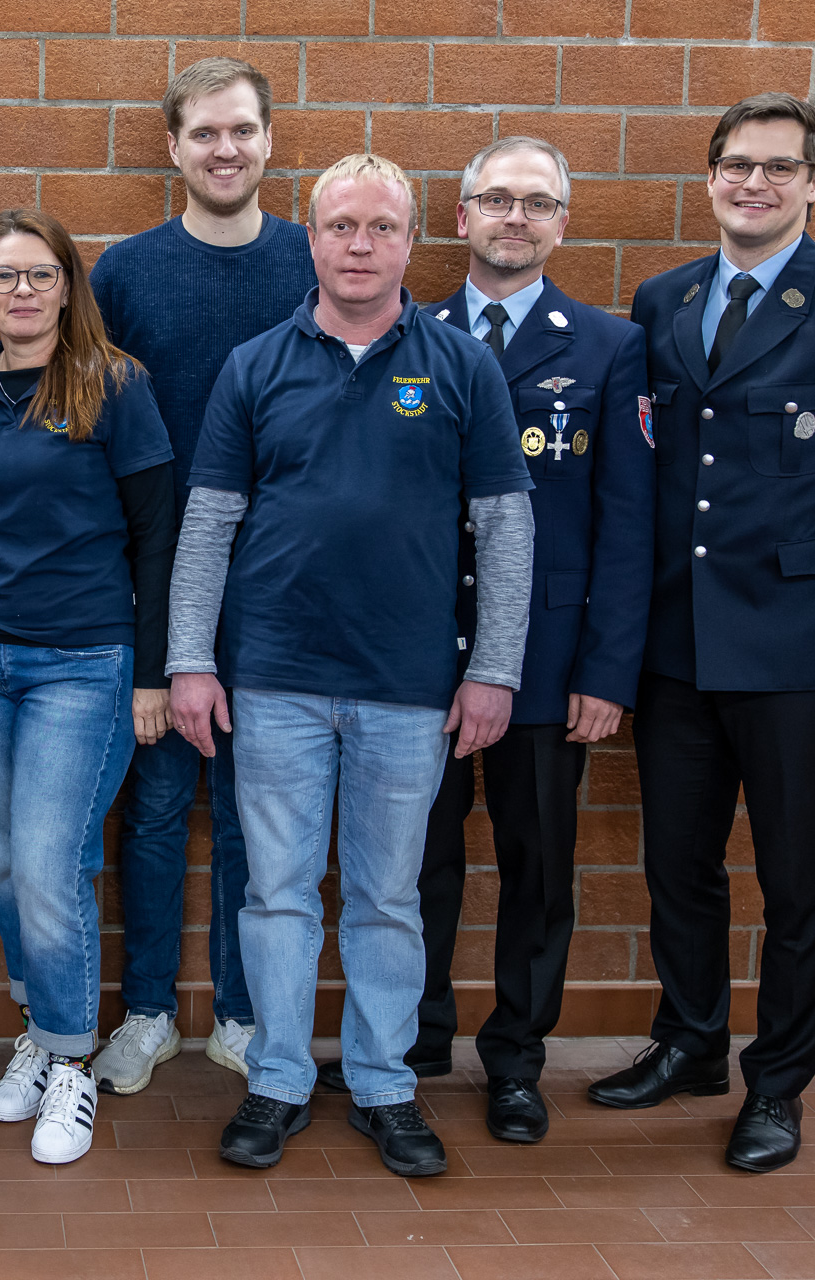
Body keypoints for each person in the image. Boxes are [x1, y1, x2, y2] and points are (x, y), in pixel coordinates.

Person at [589, 93, 815, 1172]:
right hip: (681, 641)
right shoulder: (664, 299)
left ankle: (778, 1081)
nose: (755, 183)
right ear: (710, 178)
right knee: (679, 865)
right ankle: (693, 1040)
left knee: (798, 875)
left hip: (803, 648)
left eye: (779, 168)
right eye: (737, 166)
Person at [168, 153, 535, 1176]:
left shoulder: (465, 368)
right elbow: (208, 525)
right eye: (340, 227)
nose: (360, 245)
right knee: (276, 893)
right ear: (313, 240)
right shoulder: (255, 364)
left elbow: (505, 527)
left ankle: (383, 1083)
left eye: (381, 227)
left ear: (414, 240)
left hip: (408, 685)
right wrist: (192, 658)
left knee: (385, 896)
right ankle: (279, 1079)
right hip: (274, 679)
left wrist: (495, 668)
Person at [345, 137, 653, 1143]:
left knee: (538, 863)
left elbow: (627, 525)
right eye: (494, 200)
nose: (514, 218)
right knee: (412, 860)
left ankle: (516, 1056)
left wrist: (608, 669)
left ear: (562, 222)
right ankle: (420, 1034)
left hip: (550, 663)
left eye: (537, 203)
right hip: (418, 659)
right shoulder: (409, 332)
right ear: (461, 217)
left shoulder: (609, 347)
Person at [86, 55, 317, 1095]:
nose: (225, 150)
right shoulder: (126, 273)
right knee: (153, 801)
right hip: (156, 577)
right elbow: (87, 427)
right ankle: (144, 1011)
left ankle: (238, 1009)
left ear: (269, 141)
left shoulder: (316, 263)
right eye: (204, 133)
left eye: (242, 131)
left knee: (250, 807)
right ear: (173, 146)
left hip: (279, 586)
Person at [0, 207, 178, 1165]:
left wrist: (155, 673)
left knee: (48, 865)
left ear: (69, 288)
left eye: (42, 275)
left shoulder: (116, 386)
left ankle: (71, 1064)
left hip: (84, 664)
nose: (23, 292)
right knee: (10, 870)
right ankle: (44, 1028)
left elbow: (158, 534)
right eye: (4, 277)